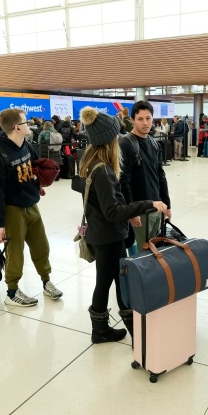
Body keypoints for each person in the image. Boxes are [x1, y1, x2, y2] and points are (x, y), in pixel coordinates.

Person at [77, 107, 167, 343]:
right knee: (114, 283)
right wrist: (147, 204)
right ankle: (125, 332)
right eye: (116, 135)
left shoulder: (91, 162)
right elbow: (112, 211)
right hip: (108, 237)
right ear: (109, 140)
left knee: (110, 281)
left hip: (102, 234)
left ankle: (107, 329)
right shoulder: (104, 171)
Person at [0, 107, 63, 307]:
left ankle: (46, 281)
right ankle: (11, 292)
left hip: (32, 204)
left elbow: (34, 167)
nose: (29, 125)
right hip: (13, 210)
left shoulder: (26, 146)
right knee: (16, 252)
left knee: (41, 246)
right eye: (25, 122)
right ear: (15, 127)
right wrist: (0, 223)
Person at [119, 100, 173, 249]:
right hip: (139, 210)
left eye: (148, 118)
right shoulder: (126, 143)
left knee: (154, 251)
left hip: (156, 207)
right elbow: (124, 181)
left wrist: (167, 204)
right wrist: (131, 212)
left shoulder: (154, 143)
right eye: (140, 119)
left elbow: (160, 176)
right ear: (132, 120)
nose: (145, 123)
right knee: (142, 255)